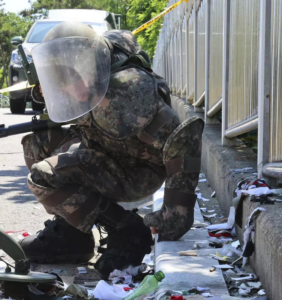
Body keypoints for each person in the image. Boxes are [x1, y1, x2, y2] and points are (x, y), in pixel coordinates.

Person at [20, 22, 204, 279]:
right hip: (108, 147)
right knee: (37, 144)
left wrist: (176, 213)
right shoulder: (95, 71)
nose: (68, 87)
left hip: (137, 170)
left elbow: (183, 138)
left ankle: (128, 231)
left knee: (44, 175)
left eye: (72, 77)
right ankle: (74, 236)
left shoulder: (125, 96)